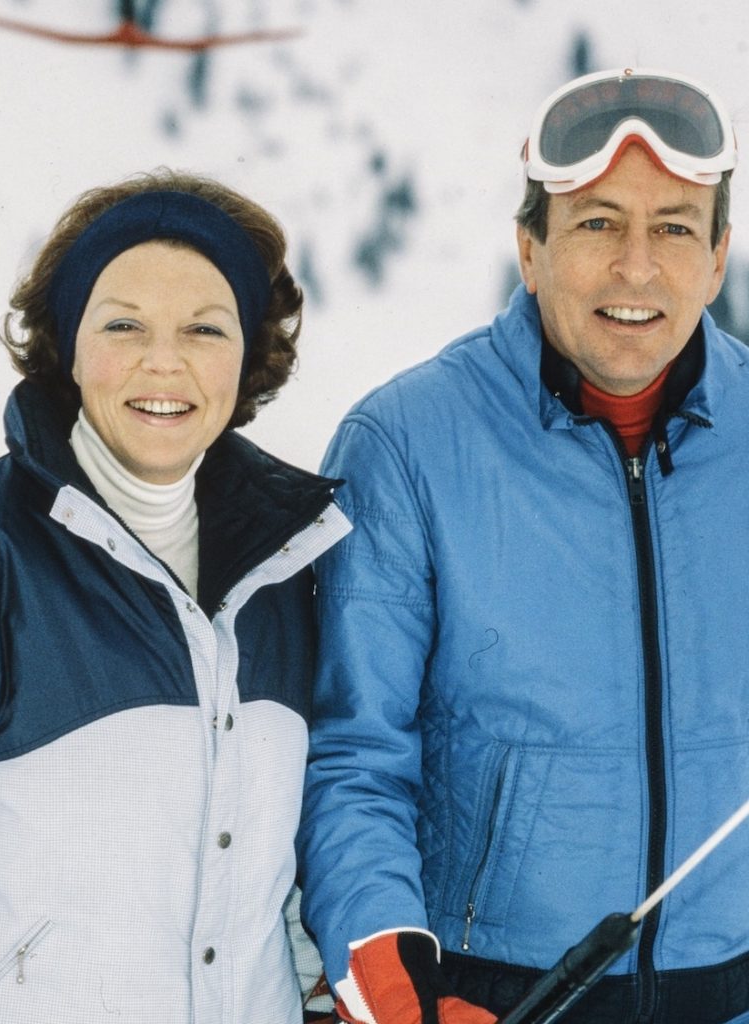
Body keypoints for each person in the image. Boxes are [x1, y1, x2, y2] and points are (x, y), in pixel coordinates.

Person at [0, 169, 350, 1024]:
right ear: (69, 348)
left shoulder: (289, 571)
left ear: (248, 355)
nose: (165, 361)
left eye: (205, 327)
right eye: (123, 324)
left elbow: (284, 882)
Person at [297, 67, 749, 1024]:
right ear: (530, 249)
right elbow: (353, 754)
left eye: (674, 227)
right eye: (597, 223)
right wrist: (390, 976)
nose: (637, 267)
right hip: (492, 1002)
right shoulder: (406, 444)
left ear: (717, 259)